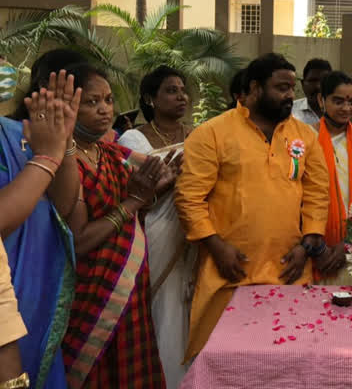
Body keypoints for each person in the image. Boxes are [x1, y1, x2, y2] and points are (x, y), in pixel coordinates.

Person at [175, 53, 330, 361]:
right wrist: (216, 246)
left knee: (287, 363)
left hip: (289, 270)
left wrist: (308, 242)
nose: (290, 95)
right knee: (226, 364)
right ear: (256, 88)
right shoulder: (212, 133)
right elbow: (189, 198)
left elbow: (316, 192)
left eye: (291, 88)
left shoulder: (304, 135)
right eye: (281, 87)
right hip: (230, 272)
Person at [61, 64, 173, 388]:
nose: (105, 109)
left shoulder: (111, 153)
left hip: (129, 293)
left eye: (108, 100)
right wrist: (134, 202)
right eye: (92, 102)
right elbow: (79, 241)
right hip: (92, 298)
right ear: (67, 105)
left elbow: (142, 199)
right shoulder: (64, 160)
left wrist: (155, 190)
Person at [2, 69, 82, 389]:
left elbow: (62, 207)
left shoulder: (16, 132)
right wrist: (47, 158)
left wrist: (63, 142)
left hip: (30, 313)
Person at [118, 66, 194, 389]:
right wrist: (166, 182)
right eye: (171, 90)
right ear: (150, 98)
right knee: (163, 311)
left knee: (191, 310)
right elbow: (128, 196)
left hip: (194, 237)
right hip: (153, 236)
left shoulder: (198, 136)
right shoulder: (133, 139)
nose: (181, 96)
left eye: (182, 90)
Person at [313, 71, 352, 285]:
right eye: (338, 101)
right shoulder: (304, 138)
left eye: (351, 102)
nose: (346, 108)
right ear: (321, 100)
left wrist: (348, 242)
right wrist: (316, 246)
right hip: (311, 247)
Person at [292, 58, 332, 125]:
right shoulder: (290, 112)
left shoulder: (341, 112)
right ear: (303, 84)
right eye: (312, 81)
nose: (318, 86)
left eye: (323, 81)